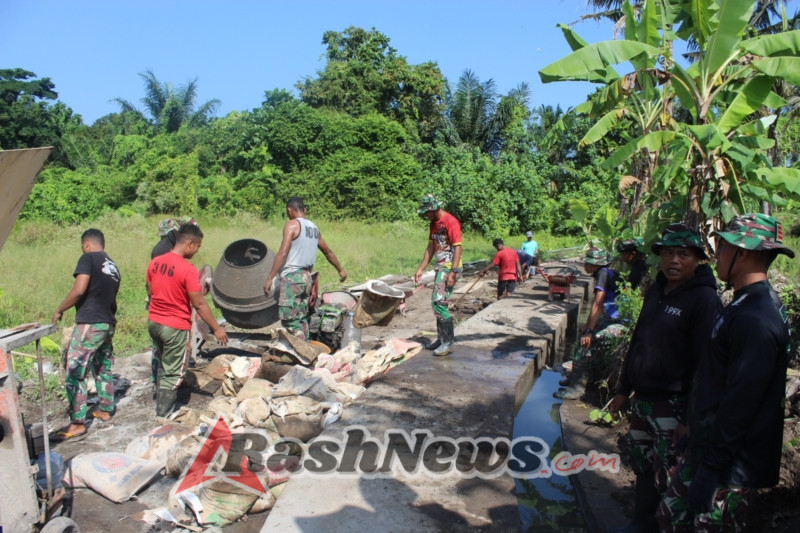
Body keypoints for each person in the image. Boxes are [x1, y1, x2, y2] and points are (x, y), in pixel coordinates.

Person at [657, 214, 795, 532]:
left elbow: (741, 402)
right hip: (710, 449)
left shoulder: (756, 319)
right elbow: (718, 381)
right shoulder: (744, 304)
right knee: (669, 518)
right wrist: (694, 431)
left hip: (729, 465)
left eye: (722, 246)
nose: (716, 254)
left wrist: (712, 470)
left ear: (742, 252)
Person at [607, 224, 721, 533]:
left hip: (673, 405)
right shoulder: (657, 289)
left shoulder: (704, 301)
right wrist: (623, 389)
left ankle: (661, 526)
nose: (674, 260)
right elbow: (639, 340)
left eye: (683, 254)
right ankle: (641, 522)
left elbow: (705, 365)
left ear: (697, 259)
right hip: (643, 400)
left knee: (669, 472)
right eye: (668, 253)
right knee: (642, 464)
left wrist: (687, 417)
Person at [147, 223, 228, 416]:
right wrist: (216, 328)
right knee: (174, 372)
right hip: (174, 327)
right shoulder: (187, 269)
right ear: (190, 243)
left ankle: (159, 397)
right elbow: (199, 304)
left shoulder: (155, 262)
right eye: (197, 246)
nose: (197, 251)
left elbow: (149, 289)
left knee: (161, 362)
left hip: (154, 322)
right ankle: (163, 415)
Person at [51, 229, 121, 442]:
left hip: (90, 323)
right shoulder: (112, 266)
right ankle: (106, 409)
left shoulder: (88, 258)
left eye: (83, 246)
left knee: (75, 370)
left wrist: (60, 309)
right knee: (102, 367)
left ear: (87, 244)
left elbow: (79, 289)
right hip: (107, 322)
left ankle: (77, 423)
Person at [264, 196, 347, 339]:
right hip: (307, 278)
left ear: (289, 211)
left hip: (293, 278)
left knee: (290, 319)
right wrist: (340, 270)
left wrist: (270, 277)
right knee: (301, 318)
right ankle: (306, 348)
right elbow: (328, 252)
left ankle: (300, 351)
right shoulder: (314, 228)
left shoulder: (292, 225)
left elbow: (283, 252)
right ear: (304, 209)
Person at [554, 248, 619, 400]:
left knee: (585, 347)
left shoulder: (603, 274)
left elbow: (598, 302)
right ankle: (574, 377)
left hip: (614, 320)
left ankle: (576, 389)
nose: (584, 264)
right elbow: (595, 305)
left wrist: (590, 330)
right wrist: (588, 326)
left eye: (587, 262)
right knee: (583, 336)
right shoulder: (604, 272)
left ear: (595, 264)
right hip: (608, 315)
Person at [414, 194, 463, 356]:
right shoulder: (434, 223)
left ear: (434, 209)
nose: (426, 216)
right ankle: (441, 339)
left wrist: (453, 272)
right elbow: (431, 248)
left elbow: (458, 247)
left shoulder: (451, 221)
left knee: (439, 302)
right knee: (438, 303)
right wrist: (421, 269)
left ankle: (448, 342)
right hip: (440, 266)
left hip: (449, 267)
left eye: (427, 213)